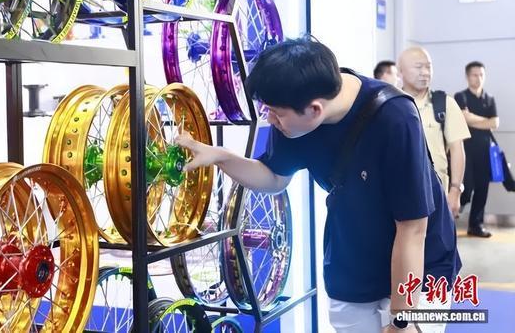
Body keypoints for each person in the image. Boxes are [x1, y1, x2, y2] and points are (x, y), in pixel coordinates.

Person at [177, 36, 460, 333]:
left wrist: (402, 320)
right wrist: (220, 157)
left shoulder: (395, 118)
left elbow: (412, 229)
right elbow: (273, 177)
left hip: (419, 266)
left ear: (315, 110)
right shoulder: (294, 108)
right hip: (353, 263)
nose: (271, 119)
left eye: (276, 113)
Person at [398, 47, 470, 217]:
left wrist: (455, 190)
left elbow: (457, 149)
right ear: (400, 71)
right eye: (418, 67)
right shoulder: (390, 104)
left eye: (428, 66)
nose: (425, 72)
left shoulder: (444, 104)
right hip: (399, 195)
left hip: (437, 196)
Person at [454, 61, 499, 238]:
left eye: (481, 74)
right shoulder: (461, 97)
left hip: (484, 150)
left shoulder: (489, 98)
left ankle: (476, 225)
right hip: (465, 150)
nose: (478, 78)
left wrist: (472, 119)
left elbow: (495, 123)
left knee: (482, 189)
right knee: (465, 190)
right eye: (474, 74)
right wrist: (485, 121)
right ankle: (449, 217)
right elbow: (463, 118)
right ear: (467, 76)